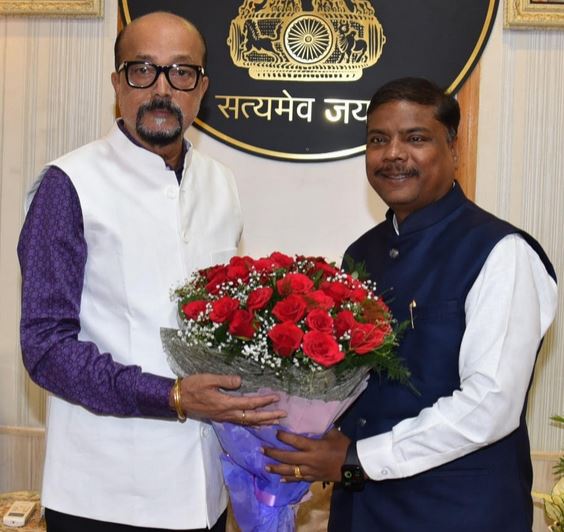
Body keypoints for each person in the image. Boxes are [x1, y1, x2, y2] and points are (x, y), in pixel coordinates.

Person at [17, 11, 285, 532]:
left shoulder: (221, 183)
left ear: (201, 88)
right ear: (117, 83)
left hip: (206, 490)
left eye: (181, 72)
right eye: (142, 70)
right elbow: (46, 347)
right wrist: (173, 396)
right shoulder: (69, 184)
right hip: (103, 496)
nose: (162, 89)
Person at [264, 77, 558, 531]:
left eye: (416, 138)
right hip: (362, 513)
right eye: (378, 140)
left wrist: (357, 458)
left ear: (454, 149)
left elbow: (490, 405)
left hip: (458, 516)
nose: (393, 154)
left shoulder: (501, 252)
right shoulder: (362, 254)